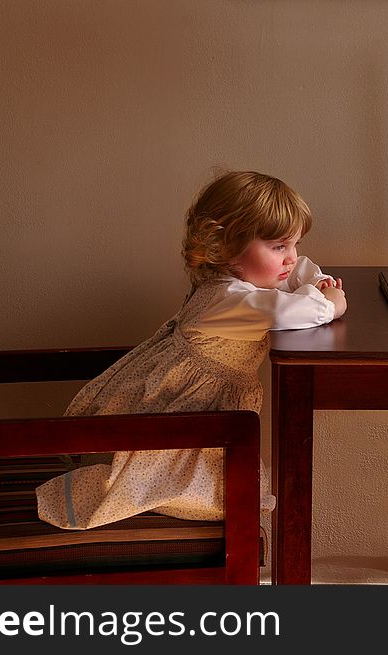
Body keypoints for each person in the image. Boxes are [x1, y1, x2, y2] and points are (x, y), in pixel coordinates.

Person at [36, 170, 346, 530]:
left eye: (295, 244)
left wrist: (316, 281)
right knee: (192, 489)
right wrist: (331, 302)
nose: (292, 258)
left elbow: (298, 273)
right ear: (228, 247)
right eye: (279, 246)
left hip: (197, 404)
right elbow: (289, 310)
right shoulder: (232, 299)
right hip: (187, 408)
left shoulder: (237, 280)